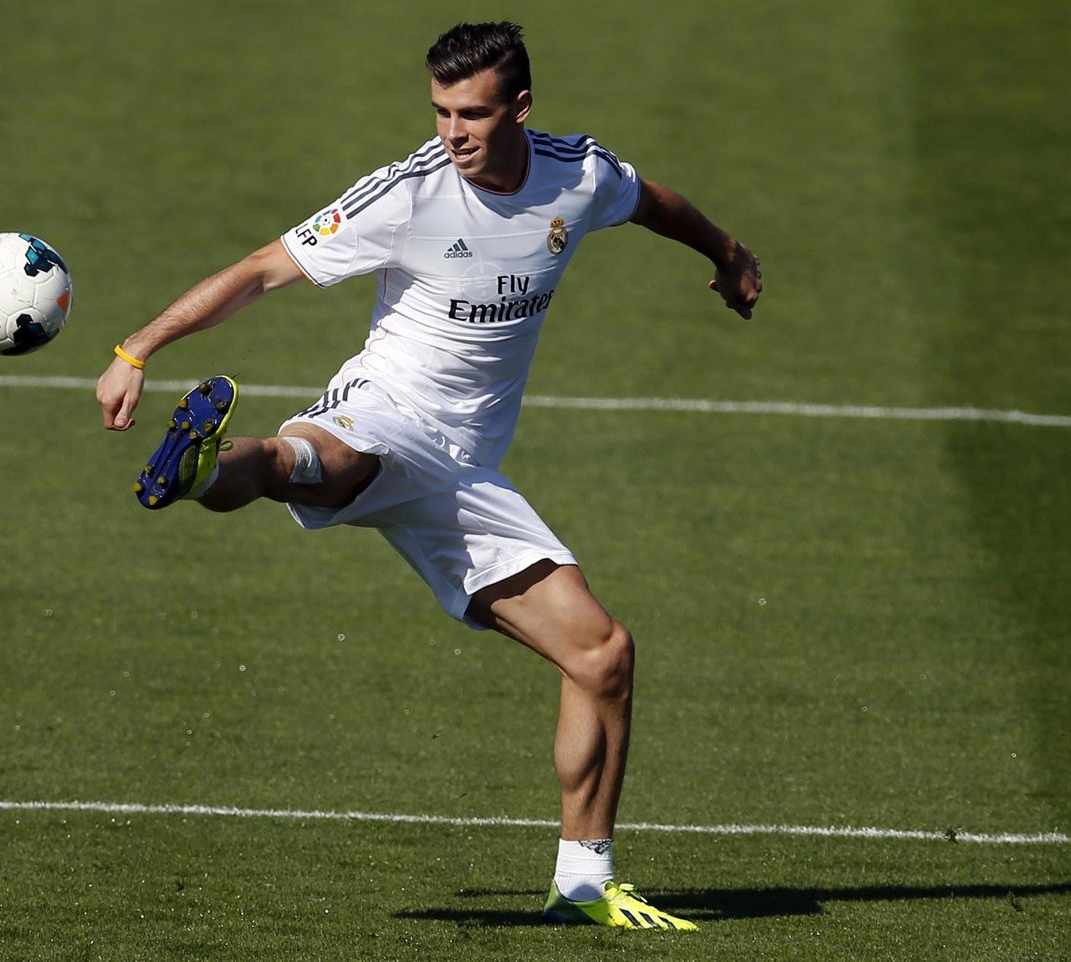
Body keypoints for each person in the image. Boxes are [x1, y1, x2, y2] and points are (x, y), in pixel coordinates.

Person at [97, 21, 761, 931]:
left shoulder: (578, 174)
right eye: (441, 111)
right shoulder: (407, 194)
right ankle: (207, 464)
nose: (452, 132)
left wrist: (727, 253)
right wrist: (138, 347)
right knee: (321, 460)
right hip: (384, 408)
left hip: (466, 475)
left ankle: (583, 882)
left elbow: (654, 203)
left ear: (520, 107)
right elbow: (261, 271)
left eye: (472, 114)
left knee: (602, 654)